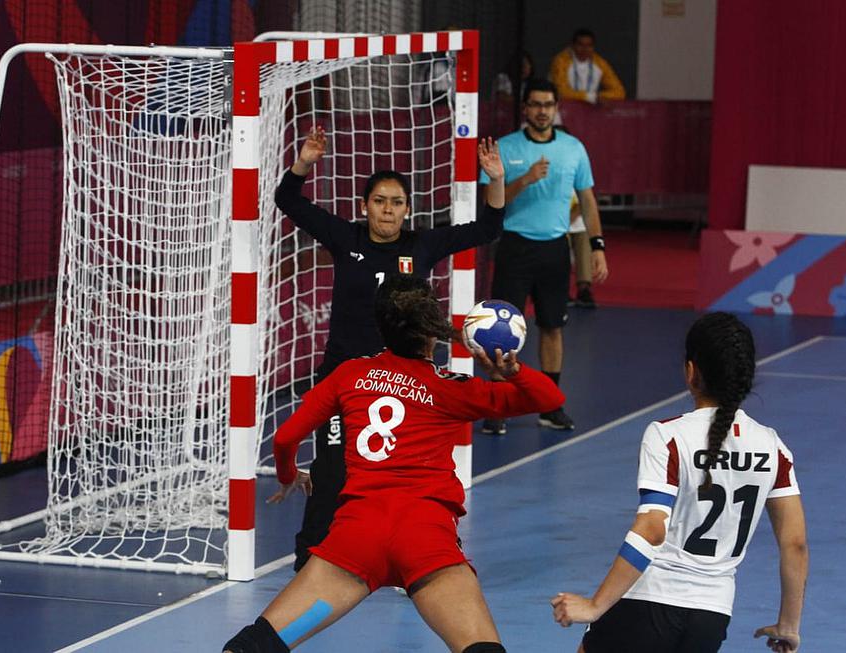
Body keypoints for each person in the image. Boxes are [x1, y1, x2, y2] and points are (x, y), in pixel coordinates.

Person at [223, 275, 565, 653]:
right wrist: (511, 372)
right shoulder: (454, 387)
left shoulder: (350, 373)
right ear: (431, 331)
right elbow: (548, 398)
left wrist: (288, 475)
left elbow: (285, 438)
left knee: (257, 645)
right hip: (425, 541)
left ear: (380, 325)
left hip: (357, 541)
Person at [275, 128, 508, 571]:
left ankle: (419, 560)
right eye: (380, 201)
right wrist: (304, 162)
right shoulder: (348, 239)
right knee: (331, 476)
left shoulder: (421, 245)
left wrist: (494, 179)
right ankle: (308, 565)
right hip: (345, 381)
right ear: (365, 206)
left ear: (407, 208)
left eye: (396, 202)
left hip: (407, 384)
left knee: (413, 475)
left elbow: (489, 228)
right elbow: (290, 202)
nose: (388, 209)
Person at [550, 312, 808, 653]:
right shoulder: (773, 447)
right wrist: (789, 624)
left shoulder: (668, 436)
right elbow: (795, 544)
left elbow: (652, 528)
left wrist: (596, 605)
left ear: (691, 372)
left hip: (649, 601)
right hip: (712, 617)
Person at [479, 79, 608, 435]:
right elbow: (492, 200)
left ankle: (550, 405)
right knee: (500, 333)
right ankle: (497, 407)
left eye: (548, 105)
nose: (541, 111)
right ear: (525, 109)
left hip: (554, 250)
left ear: (555, 108)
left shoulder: (573, 149)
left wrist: (597, 246)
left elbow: (588, 200)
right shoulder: (505, 148)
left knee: (553, 326)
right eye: (535, 104)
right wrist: (525, 178)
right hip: (515, 247)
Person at [549, 28, 626, 105]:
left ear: (593, 47)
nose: (585, 49)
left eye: (589, 45)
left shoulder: (600, 63)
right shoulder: (561, 61)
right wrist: (591, 97)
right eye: (580, 45)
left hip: (589, 110)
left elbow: (619, 91)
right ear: (572, 45)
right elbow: (561, 91)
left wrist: (600, 97)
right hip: (562, 109)